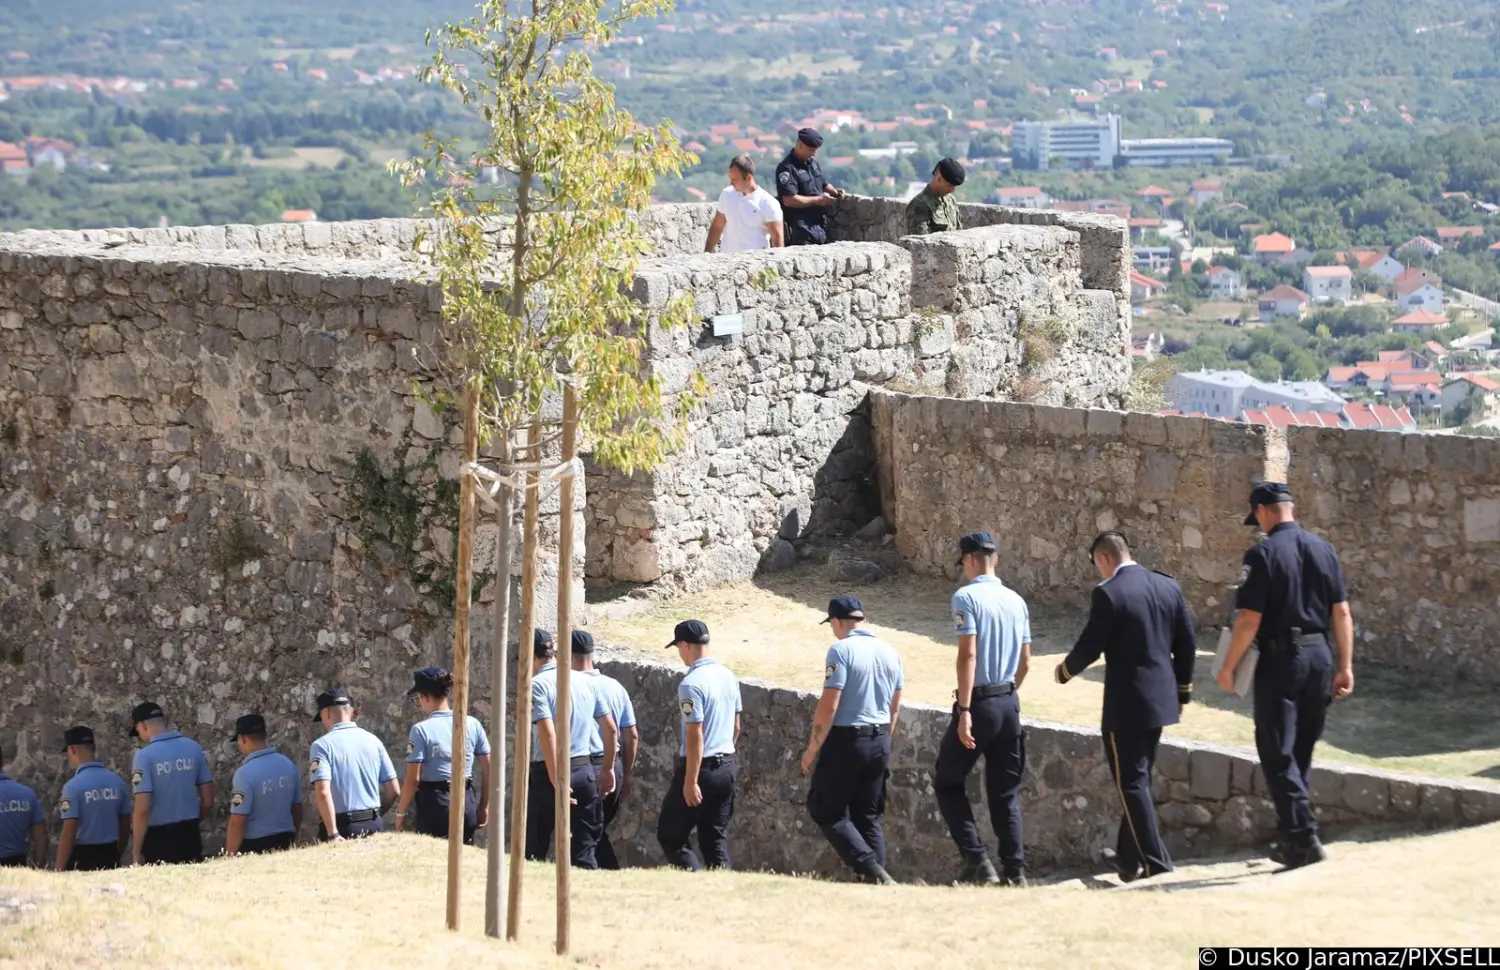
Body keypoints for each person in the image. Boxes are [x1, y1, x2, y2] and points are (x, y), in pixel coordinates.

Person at [1217, 483, 1355, 870]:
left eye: (1255, 518)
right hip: (1320, 656)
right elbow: (1342, 613)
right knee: (1299, 753)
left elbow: (1249, 619)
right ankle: (1292, 837)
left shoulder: (1262, 554)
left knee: (1277, 752)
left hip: (1281, 660)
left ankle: (1303, 836)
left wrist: (1228, 666)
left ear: (1262, 511)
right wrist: (1345, 665)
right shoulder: (1323, 549)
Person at [1054, 532, 1196, 882]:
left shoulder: (1109, 594)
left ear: (1103, 558)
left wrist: (1064, 671)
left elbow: (1091, 646)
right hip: (1162, 700)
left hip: (1127, 704)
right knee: (1140, 779)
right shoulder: (1167, 587)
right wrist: (1183, 691)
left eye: (1096, 565)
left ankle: (1156, 861)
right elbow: (1187, 643)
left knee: (1131, 782)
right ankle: (1127, 861)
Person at [934, 531, 1032, 887]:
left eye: (963, 563)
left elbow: (968, 654)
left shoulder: (966, 597)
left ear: (971, 560)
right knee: (1005, 793)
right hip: (1009, 702)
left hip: (980, 704)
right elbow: (1026, 661)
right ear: (996, 559)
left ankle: (976, 859)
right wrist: (1007, 694)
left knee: (946, 781)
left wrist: (965, 711)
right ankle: (1016, 872)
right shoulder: (1016, 601)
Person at [798, 596, 903, 886]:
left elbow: (829, 705)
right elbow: (895, 707)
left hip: (848, 741)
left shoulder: (840, 651)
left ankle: (870, 869)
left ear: (836, 622)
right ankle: (876, 883)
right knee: (866, 816)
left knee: (824, 809)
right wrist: (882, 741)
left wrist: (812, 749)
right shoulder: (890, 651)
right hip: (880, 737)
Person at [526, 630, 619, 870]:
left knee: (534, 849)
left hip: (549, 773)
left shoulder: (537, 685)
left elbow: (547, 734)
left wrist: (557, 779)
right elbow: (610, 730)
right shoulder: (585, 681)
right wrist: (607, 769)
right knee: (585, 850)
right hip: (585, 770)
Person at [658, 619, 743, 871]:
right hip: (726, 765)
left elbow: (695, 736)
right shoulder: (728, 675)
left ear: (685, 645)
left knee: (670, 835)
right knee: (713, 837)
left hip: (701, 770)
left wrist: (690, 780)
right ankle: (720, 891)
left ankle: (693, 879)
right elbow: (737, 726)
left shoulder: (690, 684)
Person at [395, 666, 491, 844]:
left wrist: (401, 812)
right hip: (466, 798)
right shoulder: (472, 724)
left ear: (426, 697)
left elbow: (413, 778)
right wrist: (484, 806)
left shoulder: (420, 730)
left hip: (435, 803)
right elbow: (489, 767)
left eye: (419, 699)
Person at [571, 630, 639, 870]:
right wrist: (627, 773)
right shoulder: (615, 687)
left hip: (585, 766)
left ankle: (603, 872)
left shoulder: (569, 687)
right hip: (615, 765)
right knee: (595, 828)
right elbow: (631, 734)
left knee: (587, 833)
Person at [308, 688, 399, 841]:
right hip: (374, 824)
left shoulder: (321, 746)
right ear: (350, 711)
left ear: (326, 713)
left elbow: (323, 792)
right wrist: (376, 815)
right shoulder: (373, 740)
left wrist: (333, 833)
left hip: (343, 828)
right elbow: (394, 790)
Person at [128, 701, 213, 866]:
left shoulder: (144, 757)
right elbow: (208, 801)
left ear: (143, 725)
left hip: (158, 838)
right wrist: (193, 822)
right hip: (190, 834)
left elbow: (142, 809)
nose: (139, 736)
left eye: (137, 731)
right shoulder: (193, 748)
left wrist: (136, 851)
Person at [55, 726, 129, 871]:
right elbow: (125, 823)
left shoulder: (72, 787)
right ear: (93, 748)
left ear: (72, 750)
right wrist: (118, 851)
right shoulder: (117, 782)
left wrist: (58, 869)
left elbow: (69, 831)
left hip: (83, 857)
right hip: (110, 853)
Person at [226, 714, 302, 856]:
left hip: (256, 843)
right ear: (264, 735)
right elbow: (297, 807)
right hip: (286, 837)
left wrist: (230, 854)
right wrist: (293, 834)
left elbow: (238, 820)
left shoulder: (244, 774)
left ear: (242, 739)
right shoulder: (288, 765)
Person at [774, 128, 846, 246]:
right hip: (801, 230)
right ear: (799, 144)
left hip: (818, 226)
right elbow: (789, 200)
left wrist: (834, 192)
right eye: (810, 150)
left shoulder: (813, 164)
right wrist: (818, 200)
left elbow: (823, 183)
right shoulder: (787, 168)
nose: (813, 153)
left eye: (815, 150)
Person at [705, 155, 784, 254]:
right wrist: (707, 252)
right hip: (727, 261)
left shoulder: (768, 203)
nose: (731, 183)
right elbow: (717, 226)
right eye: (730, 178)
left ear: (748, 178)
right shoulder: (727, 194)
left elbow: (778, 241)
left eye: (734, 179)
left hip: (754, 263)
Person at [0, 745, 46, 868]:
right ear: (2, 762)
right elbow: (41, 839)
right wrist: (38, 871)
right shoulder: (27, 794)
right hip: (18, 866)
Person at [904, 158, 965, 236]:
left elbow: (958, 232)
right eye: (949, 186)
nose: (952, 190)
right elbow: (920, 243)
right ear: (939, 178)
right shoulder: (920, 205)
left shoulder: (950, 200)